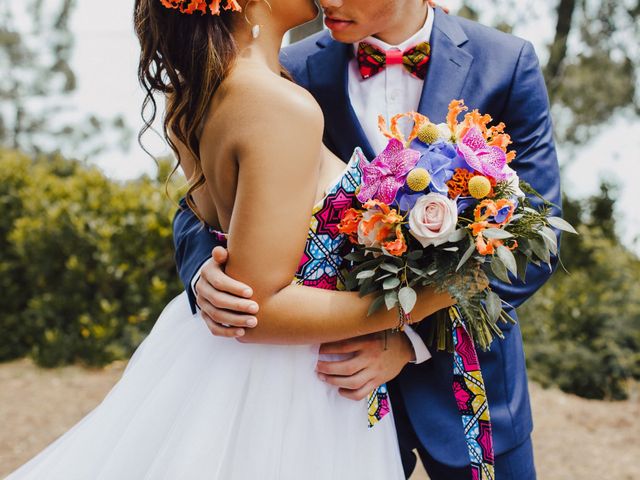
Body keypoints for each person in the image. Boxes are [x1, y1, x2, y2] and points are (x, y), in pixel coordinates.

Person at [5, 0, 459, 478]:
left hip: (225, 360)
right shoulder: (278, 105)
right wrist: (426, 299)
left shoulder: (199, 93)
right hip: (284, 390)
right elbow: (258, 307)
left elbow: (219, 231)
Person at [175, 1, 563, 479]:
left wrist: (410, 342)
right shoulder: (287, 70)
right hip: (329, 395)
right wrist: (203, 271)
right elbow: (205, 198)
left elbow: (536, 235)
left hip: (469, 391)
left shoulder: (506, 61)